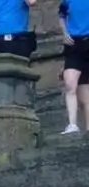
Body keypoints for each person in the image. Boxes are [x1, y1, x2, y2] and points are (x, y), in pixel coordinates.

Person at [59, 0, 89, 134]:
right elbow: (61, 15)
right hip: (73, 44)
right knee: (70, 84)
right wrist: (64, 33)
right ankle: (72, 125)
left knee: (85, 94)